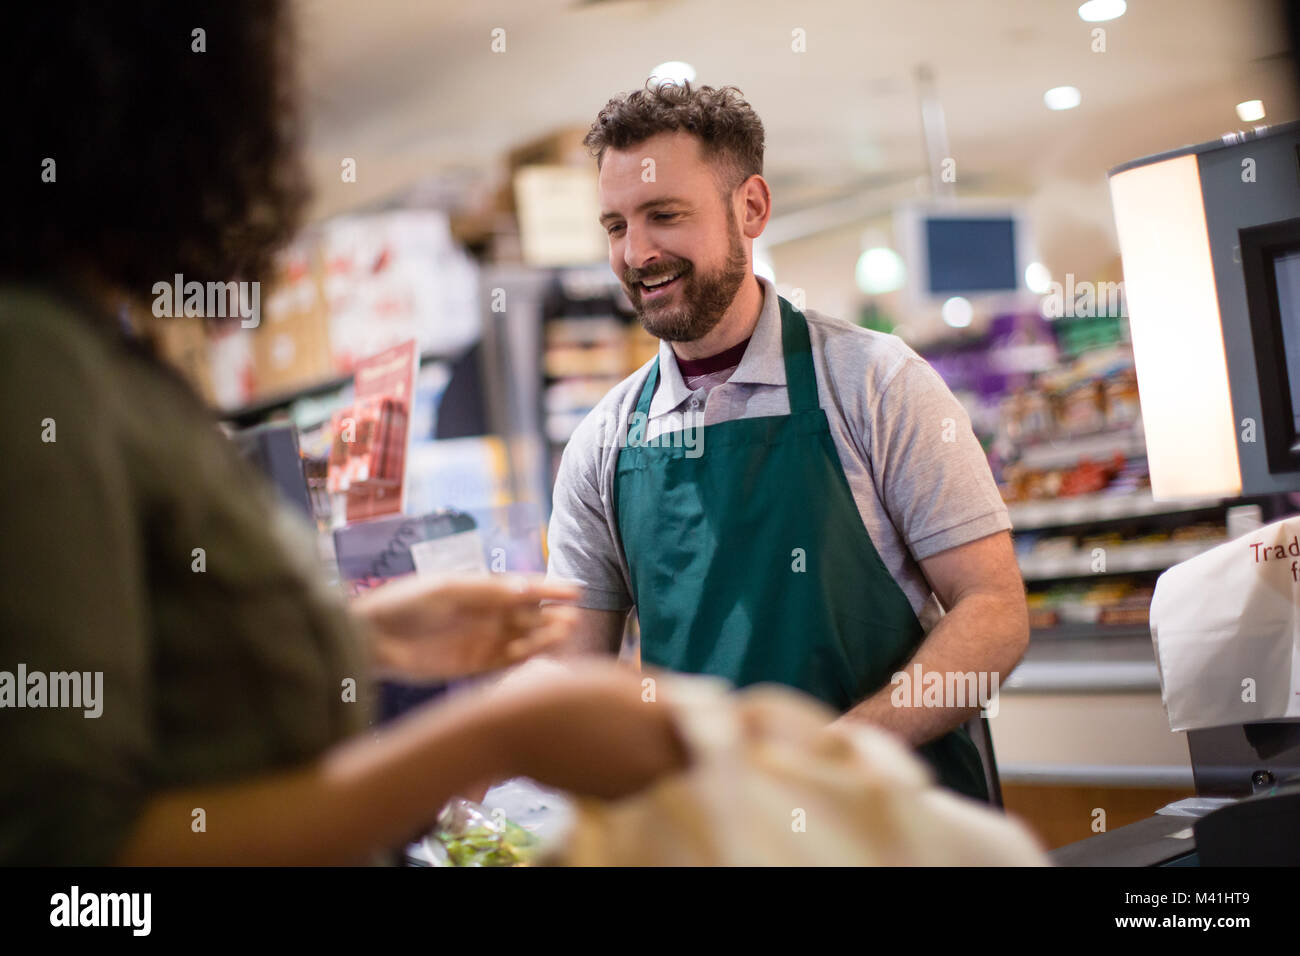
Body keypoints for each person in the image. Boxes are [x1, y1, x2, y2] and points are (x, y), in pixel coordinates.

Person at [0, 2, 685, 866]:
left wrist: (369, 638)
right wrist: (491, 739)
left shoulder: (97, 350)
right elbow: (68, 861)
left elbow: (172, 691)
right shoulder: (34, 360)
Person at [546, 81, 1030, 799]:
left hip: (897, 828)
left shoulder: (875, 383)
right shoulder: (602, 446)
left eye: (663, 215)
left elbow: (993, 613)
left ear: (751, 208)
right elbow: (573, 673)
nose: (636, 252)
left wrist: (831, 758)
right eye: (615, 226)